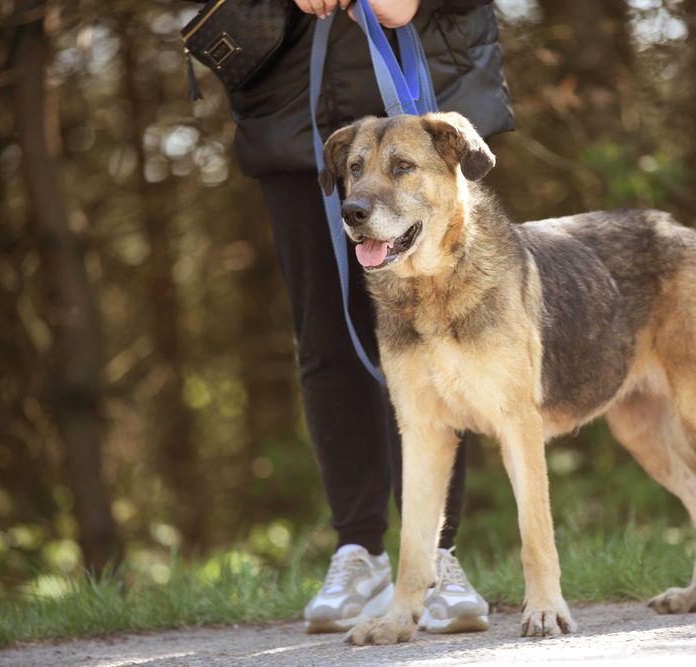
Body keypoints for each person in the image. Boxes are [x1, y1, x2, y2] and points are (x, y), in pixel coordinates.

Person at [220, 0, 514, 634]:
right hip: (295, 106)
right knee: (326, 339)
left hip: (430, 82)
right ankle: (360, 550)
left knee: (445, 339)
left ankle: (435, 555)